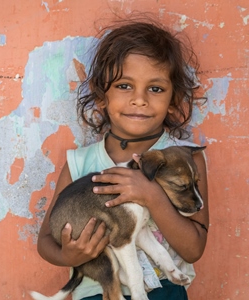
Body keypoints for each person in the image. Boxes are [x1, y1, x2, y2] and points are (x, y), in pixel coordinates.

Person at [36, 18, 209, 300]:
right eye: (125, 86)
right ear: (100, 95)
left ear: (174, 98)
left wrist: (152, 196)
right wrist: (68, 254)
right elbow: (45, 241)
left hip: (166, 292)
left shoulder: (185, 159)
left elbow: (194, 249)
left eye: (155, 89)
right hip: (99, 292)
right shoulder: (80, 162)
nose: (139, 99)